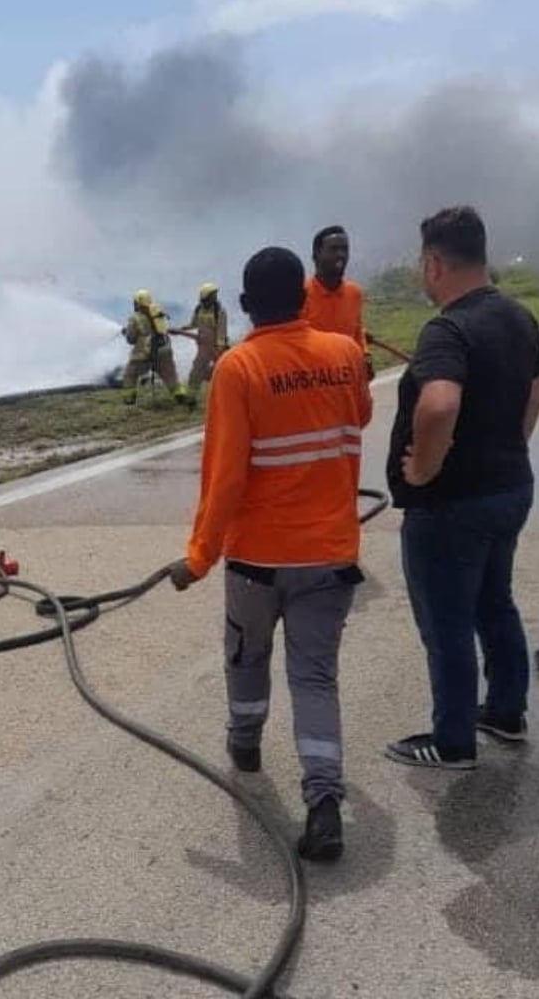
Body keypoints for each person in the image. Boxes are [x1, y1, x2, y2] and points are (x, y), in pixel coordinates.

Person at [167, 245, 373, 864]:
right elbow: (360, 413)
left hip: (257, 561)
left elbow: (224, 479)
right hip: (330, 556)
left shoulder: (239, 368)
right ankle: (325, 803)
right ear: (306, 299)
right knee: (314, 680)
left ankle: (246, 744)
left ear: (247, 305)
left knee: (247, 656)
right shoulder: (343, 355)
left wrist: (199, 558)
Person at [382, 205, 539, 770]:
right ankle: (505, 711)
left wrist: (426, 467)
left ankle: (452, 743)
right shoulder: (519, 317)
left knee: (446, 622)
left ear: (433, 264)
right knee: (494, 603)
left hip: (452, 505)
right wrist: (507, 446)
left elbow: (440, 401)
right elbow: (536, 394)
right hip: (509, 489)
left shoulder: (447, 329)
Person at [302, 225, 369, 374]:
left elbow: (357, 333)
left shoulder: (354, 293)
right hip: (315, 380)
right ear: (316, 256)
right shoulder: (300, 295)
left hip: (349, 378)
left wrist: (365, 356)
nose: (341, 254)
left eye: (344, 249)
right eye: (333, 249)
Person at [121, 289, 187, 406]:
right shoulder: (157, 312)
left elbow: (131, 339)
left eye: (135, 302)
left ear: (138, 303)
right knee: (171, 377)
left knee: (130, 374)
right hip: (165, 350)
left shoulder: (135, 318)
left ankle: (129, 399)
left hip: (145, 353)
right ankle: (179, 394)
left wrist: (126, 332)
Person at [185, 281, 230, 401]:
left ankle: (226, 396)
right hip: (203, 347)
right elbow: (193, 324)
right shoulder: (199, 309)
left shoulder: (219, 311)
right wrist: (182, 329)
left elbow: (222, 331)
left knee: (223, 372)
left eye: (214, 295)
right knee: (196, 372)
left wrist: (220, 350)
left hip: (217, 348)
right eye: (212, 296)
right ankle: (190, 398)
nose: (214, 298)